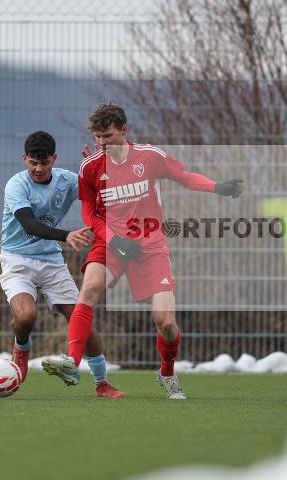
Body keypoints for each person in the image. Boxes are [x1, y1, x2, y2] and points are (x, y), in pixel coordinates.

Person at [41, 103, 244, 399]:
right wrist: (115, 240)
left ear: (124, 130)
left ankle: (167, 374)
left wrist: (218, 188)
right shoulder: (90, 167)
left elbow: (185, 176)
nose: (102, 143)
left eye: (108, 135)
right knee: (90, 289)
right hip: (112, 243)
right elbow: (89, 215)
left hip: (150, 247)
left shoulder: (149, 157)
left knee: (167, 322)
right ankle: (71, 362)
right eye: (98, 137)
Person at [0, 131, 125, 398]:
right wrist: (65, 235)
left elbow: (100, 190)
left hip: (51, 261)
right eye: (33, 162)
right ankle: (21, 347)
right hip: (17, 259)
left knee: (80, 317)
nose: (39, 168)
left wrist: (99, 166)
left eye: (45, 163)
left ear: (54, 159)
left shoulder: (66, 181)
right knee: (25, 316)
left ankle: (101, 384)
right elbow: (30, 224)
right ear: (24, 159)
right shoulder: (16, 186)